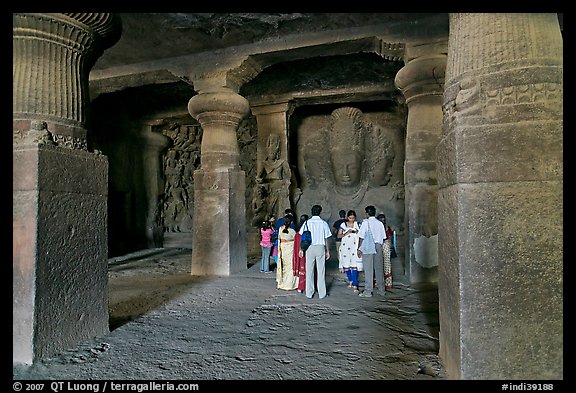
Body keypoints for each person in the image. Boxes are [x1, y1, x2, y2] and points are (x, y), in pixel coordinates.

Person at [298, 204, 332, 299]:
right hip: (320, 247)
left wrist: (301, 249)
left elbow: (302, 236)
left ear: (311, 212)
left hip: (309, 248)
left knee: (309, 271)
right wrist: (327, 251)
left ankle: (309, 293)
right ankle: (322, 294)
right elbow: (326, 238)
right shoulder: (324, 223)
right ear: (320, 212)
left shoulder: (307, 223)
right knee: (321, 271)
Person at [357, 205, 387, 298]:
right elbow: (383, 238)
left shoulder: (365, 223)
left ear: (367, 213)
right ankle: (381, 290)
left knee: (368, 269)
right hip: (378, 246)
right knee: (379, 269)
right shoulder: (380, 223)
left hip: (368, 247)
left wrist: (359, 248)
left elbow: (361, 237)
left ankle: (368, 291)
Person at [337, 210, 363, 292]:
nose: (351, 219)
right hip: (345, 247)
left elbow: (362, 235)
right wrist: (347, 233)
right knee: (346, 265)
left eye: (353, 218)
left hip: (354, 247)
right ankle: (351, 280)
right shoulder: (343, 225)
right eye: (350, 218)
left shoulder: (358, 224)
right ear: (347, 217)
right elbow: (339, 235)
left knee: (355, 266)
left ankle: (355, 284)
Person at [277, 215, 298, 290]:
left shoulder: (280, 229)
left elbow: (279, 238)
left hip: (283, 249)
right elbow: (296, 240)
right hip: (290, 250)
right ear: (291, 222)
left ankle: (282, 283)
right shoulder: (292, 231)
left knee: (284, 266)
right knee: (290, 267)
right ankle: (289, 284)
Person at [292, 214, 309, 294]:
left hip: (300, 253)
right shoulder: (308, 232)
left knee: (302, 269)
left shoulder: (297, 234)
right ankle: (308, 287)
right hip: (307, 252)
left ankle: (300, 287)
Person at [377, 213, 393, 291]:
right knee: (387, 264)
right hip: (386, 244)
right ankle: (388, 283)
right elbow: (389, 236)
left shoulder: (377, 227)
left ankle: (378, 282)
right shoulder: (387, 228)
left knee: (378, 263)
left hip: (379, 244)